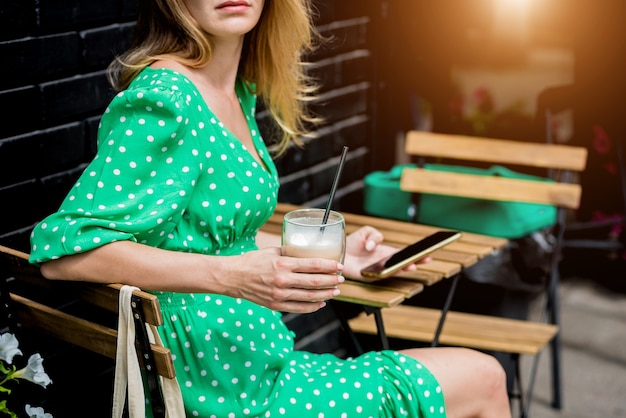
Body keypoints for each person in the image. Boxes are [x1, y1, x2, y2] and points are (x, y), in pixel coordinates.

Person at [29, 0, 511, 416]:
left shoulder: (234, 91)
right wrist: (235, 277)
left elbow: (214, 235)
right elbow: (65, 251)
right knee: (484, 377)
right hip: (224, 393)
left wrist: (342, 260)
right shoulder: (167, 97)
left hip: (262, 365)